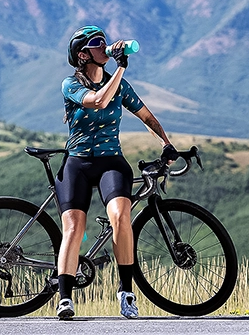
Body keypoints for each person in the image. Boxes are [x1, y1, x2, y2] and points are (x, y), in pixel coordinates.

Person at [54, 25, 179, 320]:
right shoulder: (69, 84)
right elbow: (98, 100)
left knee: (122, 217)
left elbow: (145, 115)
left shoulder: (118, 84)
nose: (106, 47)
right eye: (98, 44)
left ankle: (126, 292)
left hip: (111, 161)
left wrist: (167, 143)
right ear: (83, 54)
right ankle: (65, 298)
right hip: (78, 163)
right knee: (74, 228)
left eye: (106, 41)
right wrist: (121, 67)